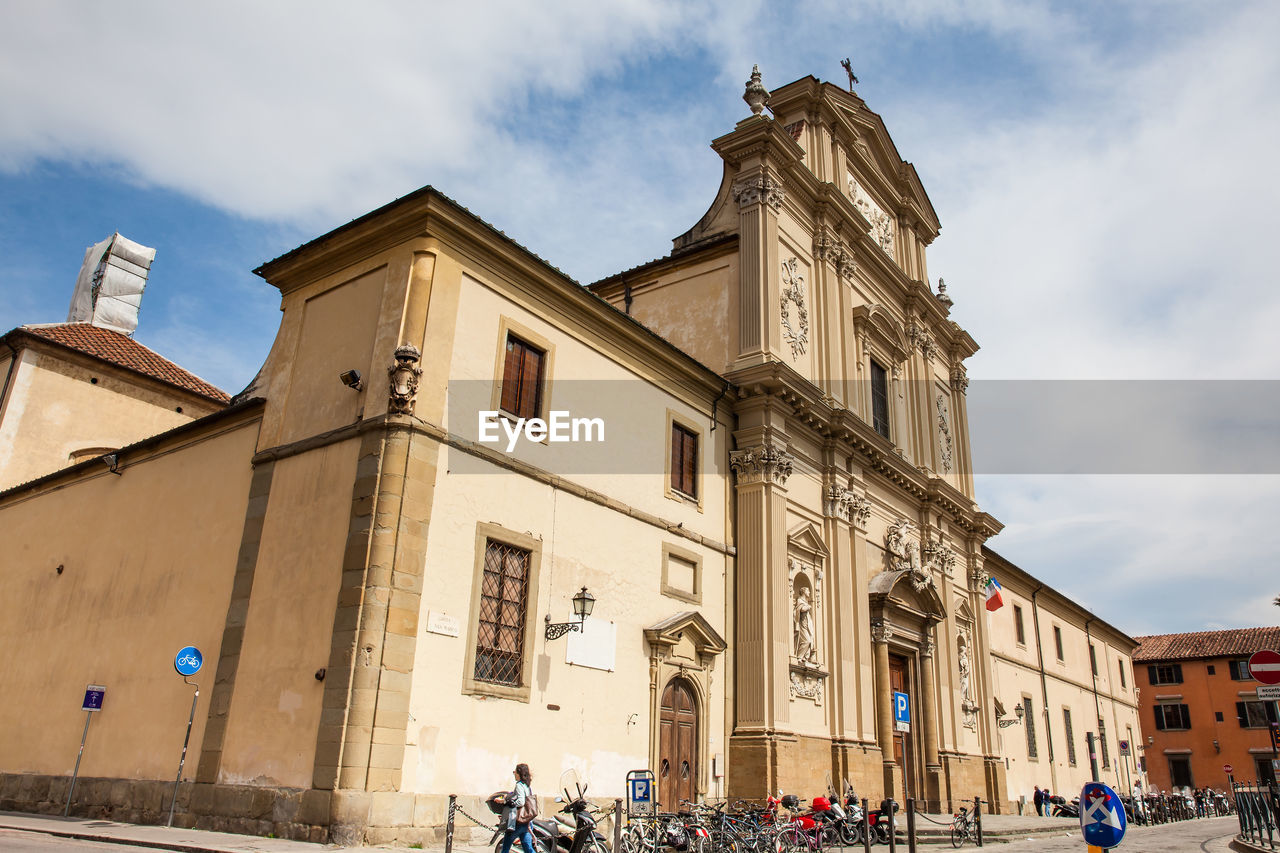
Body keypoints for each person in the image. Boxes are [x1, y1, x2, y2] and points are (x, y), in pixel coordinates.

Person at [501, 763, 536, 853]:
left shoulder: (519, 785)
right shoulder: (527, 785)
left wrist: (510, 803)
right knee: (528, 849)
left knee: (505, 848)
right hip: (527, 822)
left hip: (518, 822)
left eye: (515, 772)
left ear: (519, 773)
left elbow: (521, 801)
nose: (514, 774)